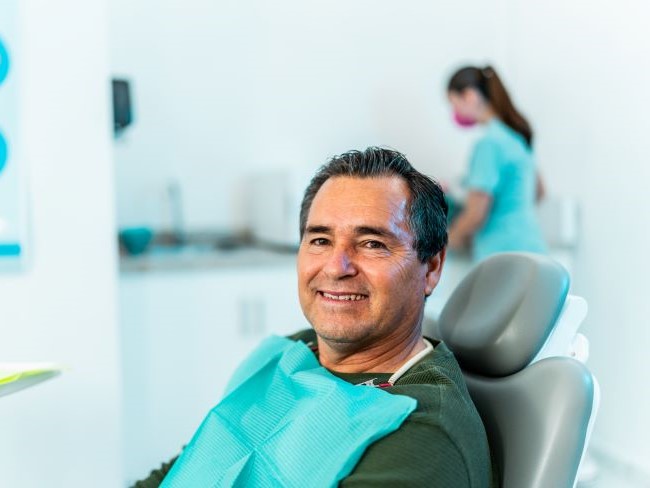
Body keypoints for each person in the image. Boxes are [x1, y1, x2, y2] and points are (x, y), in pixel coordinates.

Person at [134, 147, 494, 487]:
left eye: (372, 244)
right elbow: (192, 465)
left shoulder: (420, 434)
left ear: (431, 267)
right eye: (320, 240)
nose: (337, 267)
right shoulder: (291, 352)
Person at [446, 65, 547, 262]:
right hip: (533, 250)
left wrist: (442, 245)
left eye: (453, 103)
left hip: (502, 255)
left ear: (469, 96)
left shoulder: (489, 144)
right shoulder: (517, 137)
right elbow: (539, 192)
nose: (454, 112)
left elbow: (475, 214)